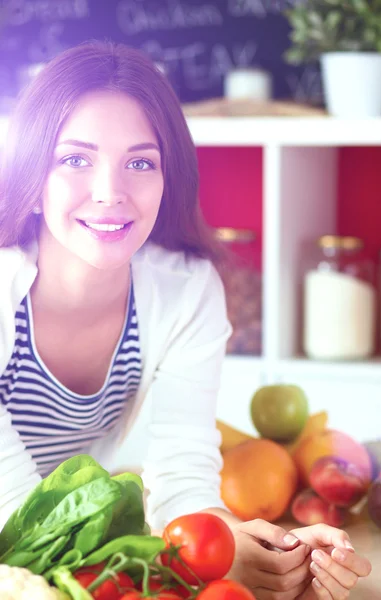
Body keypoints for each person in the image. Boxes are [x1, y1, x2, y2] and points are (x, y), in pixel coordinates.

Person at [0, 41, 371, 599]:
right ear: (33, 175)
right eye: (74, 159)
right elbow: (13, 507)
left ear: (167, 177)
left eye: (140, 162)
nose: (110, 192)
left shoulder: (185, 290)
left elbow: (183, 479)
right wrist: (182, 561)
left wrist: (252, 548)